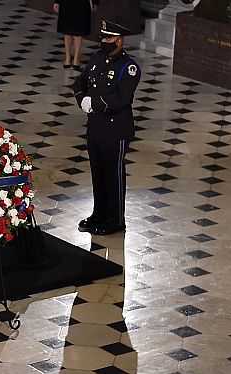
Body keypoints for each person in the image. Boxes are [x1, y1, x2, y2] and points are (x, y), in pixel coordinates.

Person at [71, 20, 140, 235]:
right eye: (102, 37)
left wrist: (96, 102)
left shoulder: (128, 68)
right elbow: (79, 83)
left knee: (114, 174)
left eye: (108, 38)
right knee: (98, 173)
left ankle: (116, 220)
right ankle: (99, 214)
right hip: (95, 127)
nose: (104, 41)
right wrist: (82, 99)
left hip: (116, 128)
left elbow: (121, 98)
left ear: (119, 40)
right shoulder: (97, 58)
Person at [53, 0, 98, 69]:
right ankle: (68, 57)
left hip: (82, 4)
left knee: (79, 31)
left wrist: (95, 2)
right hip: (66, 3)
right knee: (67, 31)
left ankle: (76, 58)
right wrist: (57, 1)